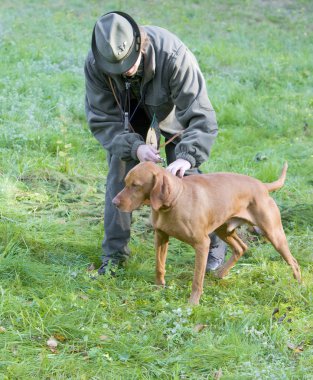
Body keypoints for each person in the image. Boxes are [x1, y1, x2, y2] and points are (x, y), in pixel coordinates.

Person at [84, 11, 227, 275]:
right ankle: (114, 255)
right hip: (126, 117)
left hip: (173, 115)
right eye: (115, 68)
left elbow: (201, 116)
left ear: (140, 44)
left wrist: (187, 155)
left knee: (187, 175)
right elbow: (103, 120)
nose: (124, 71)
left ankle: (215, 245)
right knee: (120, 173)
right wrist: (135, 147)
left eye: (128, 63)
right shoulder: (96, 63)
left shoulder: (174, 56)